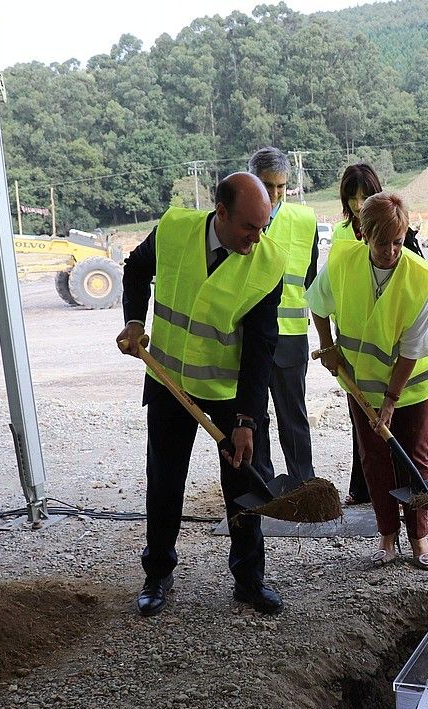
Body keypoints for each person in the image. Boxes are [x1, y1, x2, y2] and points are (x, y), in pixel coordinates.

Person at [116, 173, 287, 617]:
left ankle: (249, 580)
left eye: (263, 226)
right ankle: (157, 575)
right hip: (170, 381)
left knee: (243, 487)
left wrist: (248, 421)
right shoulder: (174, 230)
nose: (257, 237)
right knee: (165, 482)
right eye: (249, 227)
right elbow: (135, 268)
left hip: (229, 393)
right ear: (222, 213)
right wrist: (135, 320)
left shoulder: (267, 262)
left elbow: (261, 347)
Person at [308, 191, 428, 569]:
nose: (390, 251)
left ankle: (419, 536)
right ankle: (387, 534)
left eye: (398, 242)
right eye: (381, 242)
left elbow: (412, 350)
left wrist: (390, 401)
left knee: (413, 458)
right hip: (360, 384)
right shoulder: (343, 262)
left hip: (412, 386)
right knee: (373, 458)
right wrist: (328, 346)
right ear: (364, 235)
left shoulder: (418, 279)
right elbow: (317, 303)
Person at [333, 164, 424, 506]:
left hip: (403, 364)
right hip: (359, 364)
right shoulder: (343, 237)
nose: (357, 203)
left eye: (363, 195)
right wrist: (330, 344)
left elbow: (414, 306)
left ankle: (413, 521)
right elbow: (324, 292)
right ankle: (368, 492)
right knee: (367, 440)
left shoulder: (405, 243)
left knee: (405, 442)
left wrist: (391, 397)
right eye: (351, 197)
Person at [249, 147, 319, 484]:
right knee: (253, 416)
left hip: (291, 335)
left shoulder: (305, 222)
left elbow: (312, 280)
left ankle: (303, 484)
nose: (275, 194)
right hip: (248, 337)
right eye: (267, 185)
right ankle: (261, 482)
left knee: (293, 417)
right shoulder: (238, 217)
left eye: (281, 186)